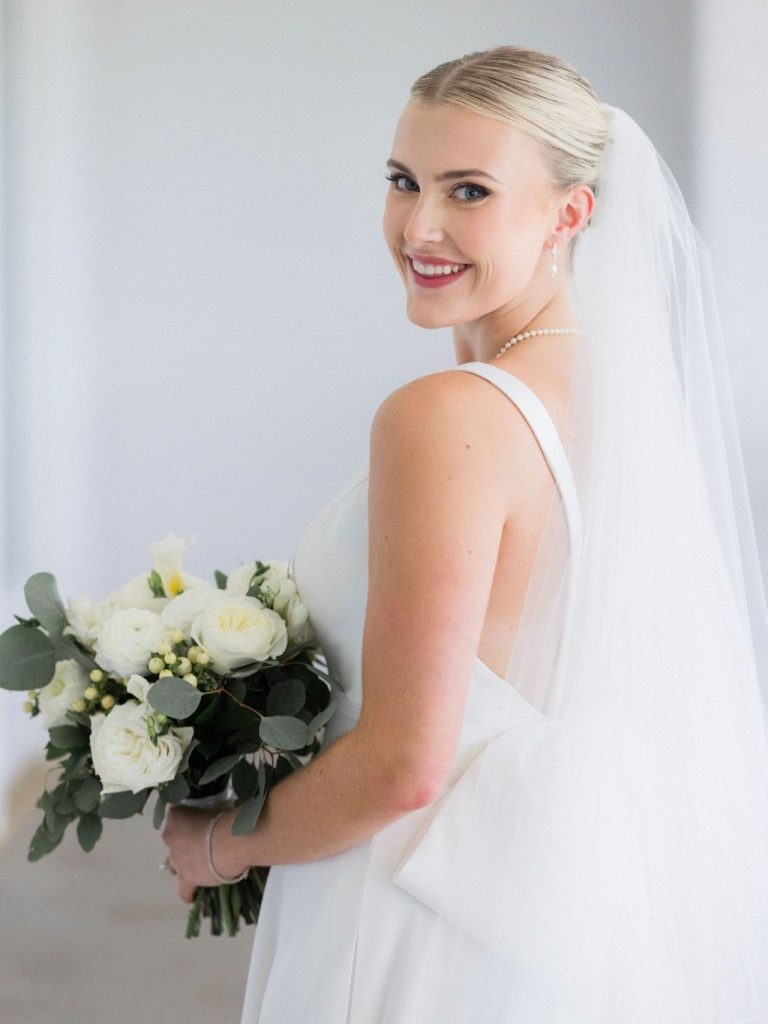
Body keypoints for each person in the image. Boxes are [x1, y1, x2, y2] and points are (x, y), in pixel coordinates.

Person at [162, 46, 768, 1022]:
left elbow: (404, 766)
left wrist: (219, 841)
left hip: (410, 924)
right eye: (403, 181)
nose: (420, 225)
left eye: (470, 190)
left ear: (571, 212)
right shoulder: (628, 398)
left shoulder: (446, 413)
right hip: (550, 924)